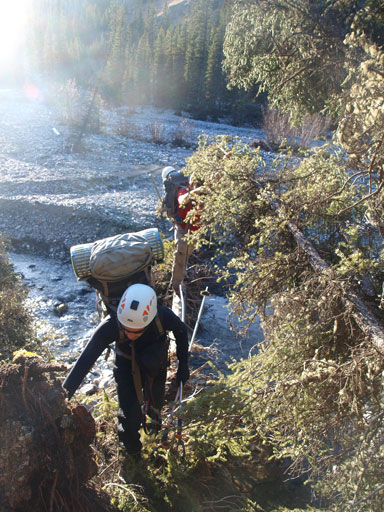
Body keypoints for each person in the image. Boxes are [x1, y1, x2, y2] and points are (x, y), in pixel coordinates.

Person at [63, 283, 189, 459]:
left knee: (156, 404)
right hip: (126, 365)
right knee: (128, 415)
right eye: (126, 330)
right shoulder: (111, 325)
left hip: (156, 363)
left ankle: (153, 433)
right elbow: (84, 362)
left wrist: (184, 365)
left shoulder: (161, 316)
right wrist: (63, 397)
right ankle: (132, 454)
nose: (130, 335)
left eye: (136, 332)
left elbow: (181, 331)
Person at [170, 173, 204, 294]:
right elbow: (181, 200)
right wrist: (196, 191)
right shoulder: (184, 190)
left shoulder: (205, 194)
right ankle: (176, 285)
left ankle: (181, 274)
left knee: (187, 253)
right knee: (180, 253)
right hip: (182, 227)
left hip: (195, 230)